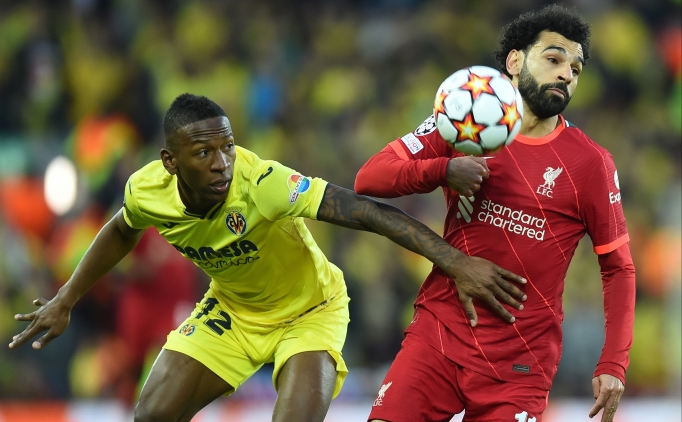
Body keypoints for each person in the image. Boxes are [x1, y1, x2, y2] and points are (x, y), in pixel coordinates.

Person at [9, 93, 528, 422]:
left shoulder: (263, 183)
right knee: (151, 416)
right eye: (204, 153)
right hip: (233, 311)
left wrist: (456, 262)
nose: (222, 163)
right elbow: (122, 229)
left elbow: (366, 211)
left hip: (310, 313)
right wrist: (66, 298)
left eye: (228, 147)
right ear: (170, 162)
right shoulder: (146, 190)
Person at [355, 5, 635, 422]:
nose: (566, 75)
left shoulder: (590, 163)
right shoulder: (464, 121)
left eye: (575, 69)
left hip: (520, 362)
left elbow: (618, 267)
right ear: (515, 61)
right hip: (440, 333)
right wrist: (443, 170)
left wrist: (614, 362)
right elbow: (369, 178)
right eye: (554, 59)